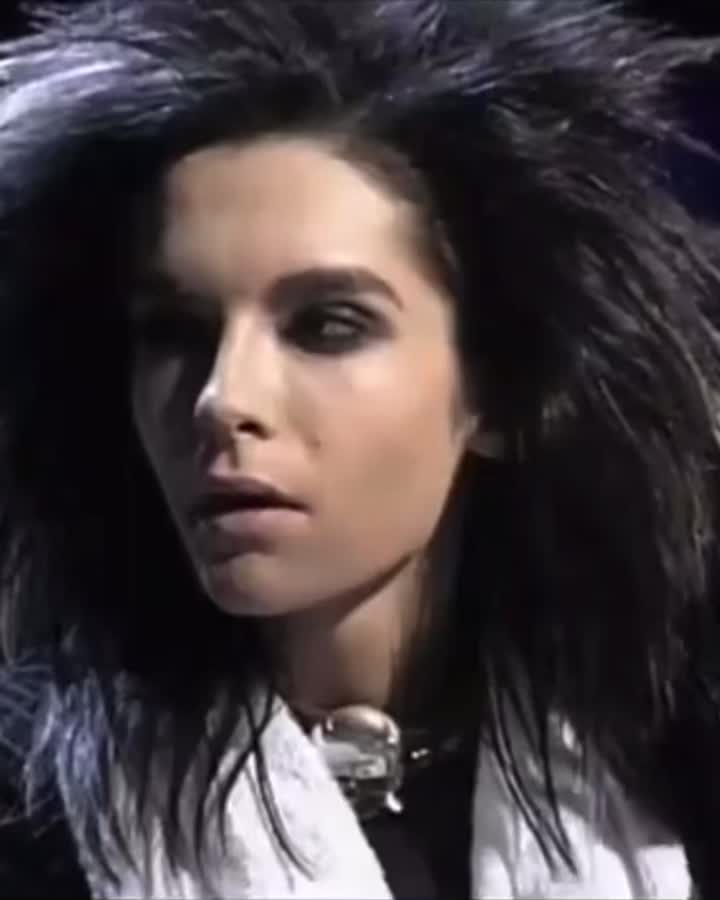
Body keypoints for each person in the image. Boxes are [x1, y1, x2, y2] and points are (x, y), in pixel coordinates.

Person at [0, 0, 719, 896]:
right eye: (176, 331)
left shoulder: (674, 750)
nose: (223, 397)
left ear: (501, 391)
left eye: (327, 325)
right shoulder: (29, 809)